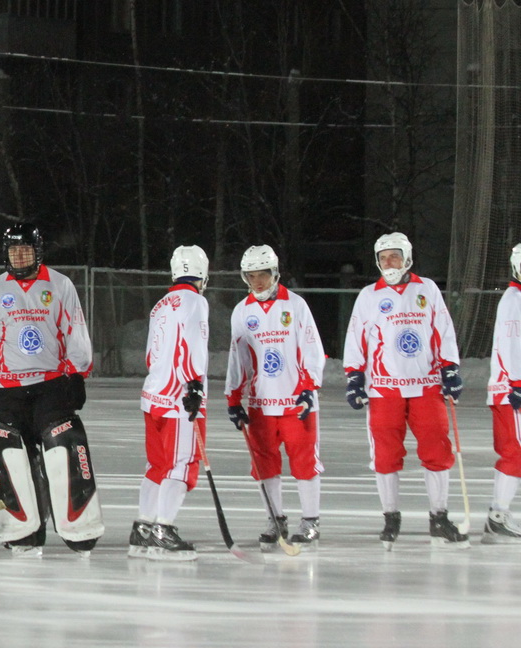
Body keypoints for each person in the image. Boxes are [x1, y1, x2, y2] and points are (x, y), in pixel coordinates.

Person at [0, 223, 102, 558]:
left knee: (62, 447)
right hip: (8, 389)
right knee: (15, 456)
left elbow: (74, 330)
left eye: (25, 250)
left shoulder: (60, 285)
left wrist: (77, 374)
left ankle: (78, 526)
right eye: (14, 251)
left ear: (38, 252)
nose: (19, 256)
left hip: (51, 386)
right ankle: (25, 528)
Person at [342, 232, 465, 549]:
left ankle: (439, 518)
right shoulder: (369, 296)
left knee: (437, 451)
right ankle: (390, 517)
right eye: (383, 258)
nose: (388, 263)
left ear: (407, 258)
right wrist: (354, 376)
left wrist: (450, 367)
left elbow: (443, 330)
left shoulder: (427, 289)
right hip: (385, 390)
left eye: (394, 256)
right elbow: (356, 338)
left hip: (426, 385)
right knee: (385, 456)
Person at [225, 245, 326, 551]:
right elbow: (238, 358)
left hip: (296, 402)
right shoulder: (242, 311)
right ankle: (275, 518)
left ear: (275, 274)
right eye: (251, 276)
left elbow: (312, 348)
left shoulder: (295, 305)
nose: (257, 282)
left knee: (304, 462)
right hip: (261, 404)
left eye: (263, 275)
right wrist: (233, 398)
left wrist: (309, 386)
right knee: (264, 463)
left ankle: (310, 521)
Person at [132, 245, 210, 562]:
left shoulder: (161, 304)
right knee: (182, 464)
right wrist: (194, 384)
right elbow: (192, 344)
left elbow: (151, 353)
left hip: (154, 396)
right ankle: (163, 530)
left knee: (157, 465)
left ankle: (143, 528)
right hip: (179, 400)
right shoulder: (196, 302)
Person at [486, 243, 521, 544]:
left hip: (511, 389)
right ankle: (498, 517)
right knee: (515, 452)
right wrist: (517, 384)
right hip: (510, 391)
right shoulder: (514, 300)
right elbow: (511, 346)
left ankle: (499, 515)